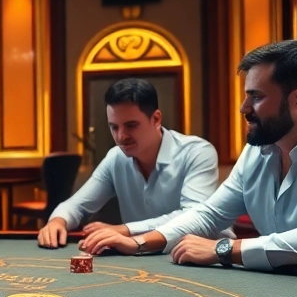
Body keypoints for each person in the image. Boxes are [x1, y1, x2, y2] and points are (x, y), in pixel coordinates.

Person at [81, 40, 297, 270]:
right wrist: (139, 242)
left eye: (256, 97)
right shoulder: (258, 150)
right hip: (292, 291)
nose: (243, 109)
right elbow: (209, 215)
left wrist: (223, 249)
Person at [37, 78, 222, 249]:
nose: (121, 137)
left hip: (202, 258)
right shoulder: (116, 158)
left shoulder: (198, 152)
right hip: (142, 257)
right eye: (114, 127)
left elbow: (194, 218)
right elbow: (77, 205)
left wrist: (124, 230)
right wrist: (57, 221)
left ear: (156, 119)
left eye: (131, 126)